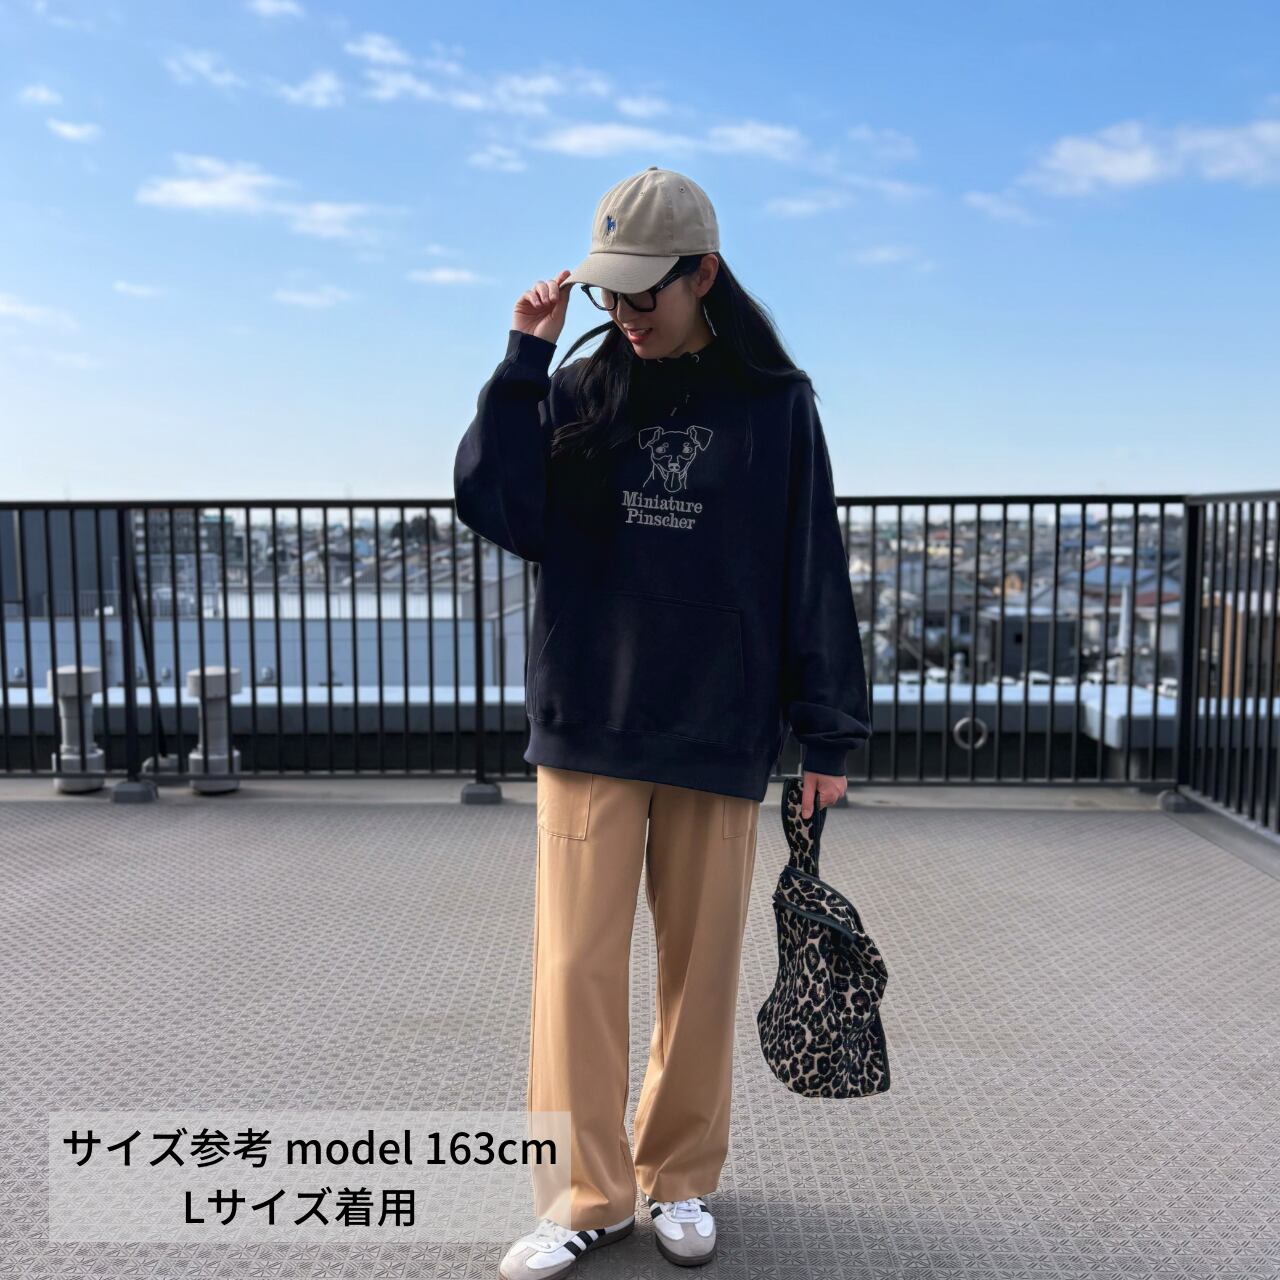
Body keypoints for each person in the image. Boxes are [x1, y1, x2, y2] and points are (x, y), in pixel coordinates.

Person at [452, 166, 870, 1278]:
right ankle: (582, 1195)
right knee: (573, 969)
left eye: (645, 293)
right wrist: (523, 358)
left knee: (699, 973)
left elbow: (811, 564)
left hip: (718, 722)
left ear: (704, 274)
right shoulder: (581, 389)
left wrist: (827, 732)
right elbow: (500, 506)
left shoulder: (774, 404)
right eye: (610, 294)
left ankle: (679, 1177)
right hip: (589, 713)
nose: (626, 314)